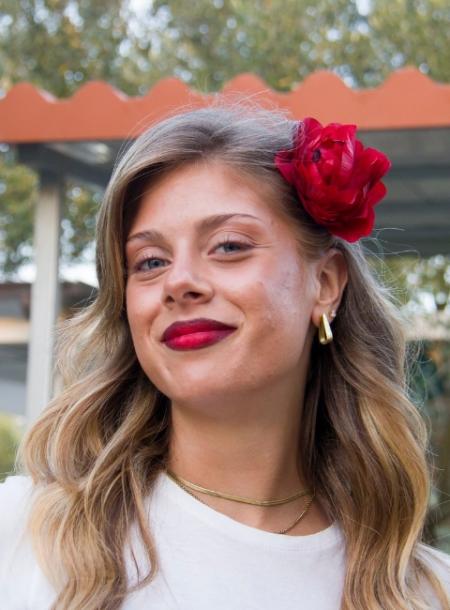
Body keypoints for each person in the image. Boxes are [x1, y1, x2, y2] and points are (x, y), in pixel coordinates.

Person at [1, 103, 449, 610]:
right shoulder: (20, 537)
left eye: (229, 246)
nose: (179, 282)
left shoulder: (425, 592)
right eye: (149, 261)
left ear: (324, 284)